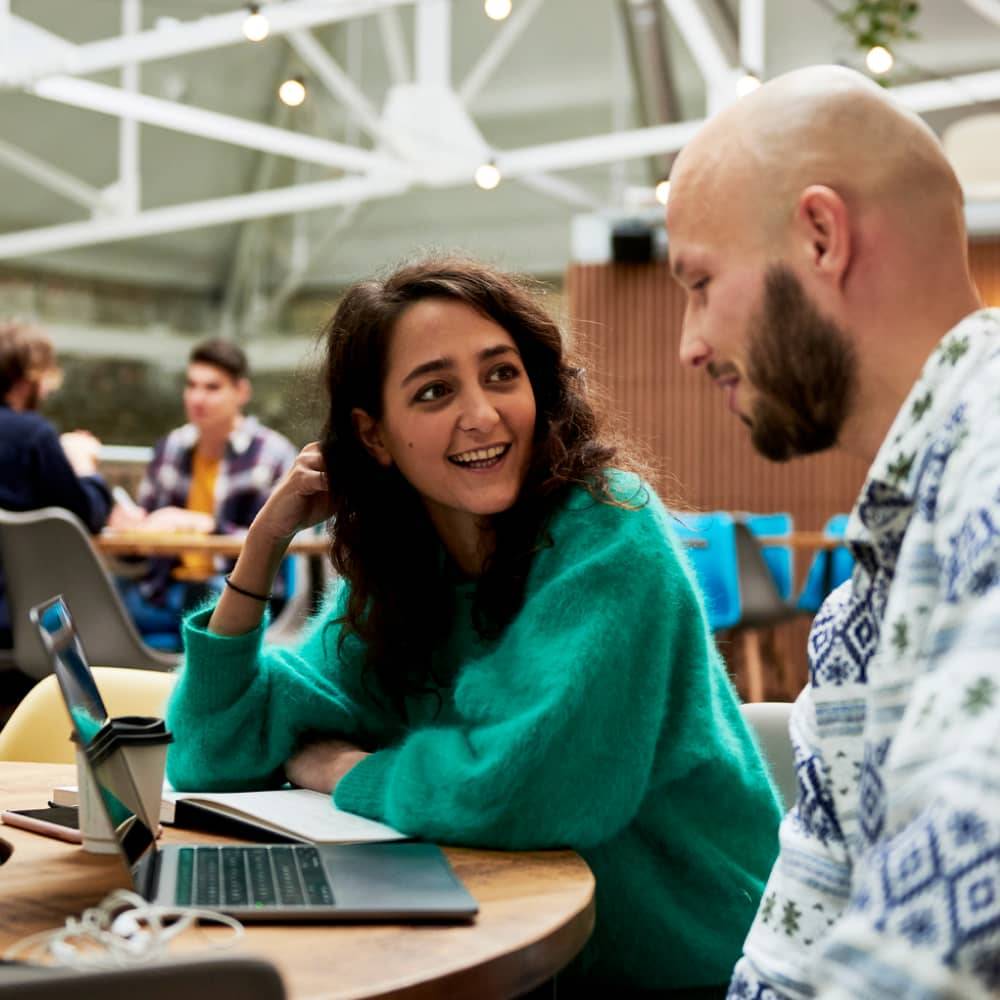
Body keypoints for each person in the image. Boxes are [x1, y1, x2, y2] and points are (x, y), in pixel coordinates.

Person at [164, 257, 783, 995]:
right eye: (434, 391)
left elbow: (521, 789)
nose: (483, 414)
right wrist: (262, 546)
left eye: (501, 375)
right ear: (374, 435)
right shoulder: (404, 576)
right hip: (524, 954)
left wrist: (344, 769)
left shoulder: (611, 532)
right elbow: (211, 752)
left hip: (700, 968)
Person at [666, 65, 1000, 998]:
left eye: (700, 281)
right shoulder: (860, 598)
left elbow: (970, 899)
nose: (690, 344)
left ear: (821, 236)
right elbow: (798, 928)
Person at [112, 337, 297, 647]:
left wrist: (208, 527)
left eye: (212, 388)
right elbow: (140, 547)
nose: (197, 398)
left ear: (241, 392)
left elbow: (282, 545)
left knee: (199, 599)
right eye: (191, 385)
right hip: (164, 588)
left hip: (233, 590)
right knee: (88, 598)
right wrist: (130, 532)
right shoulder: (169, 449)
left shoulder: (273, 455)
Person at [0, 320, 111, 651]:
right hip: (25, 615)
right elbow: (83, 516)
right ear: (31, 376)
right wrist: (83, 466)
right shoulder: (33, 435)